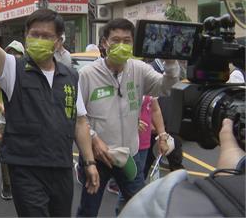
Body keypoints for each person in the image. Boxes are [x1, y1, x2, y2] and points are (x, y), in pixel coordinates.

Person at [0, 0, 99, 217]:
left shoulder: (70, 75)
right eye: (34, 34)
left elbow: (80, 121)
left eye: (46, 36)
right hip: (25, 168)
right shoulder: (12, 69)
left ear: (58, 42)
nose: (39, 39)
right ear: (26, 37)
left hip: (61, 168)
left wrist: (89, 161)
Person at [76, 18, 180, 217]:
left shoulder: (139, 69)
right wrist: (92, 139)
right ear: (105, 42)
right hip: (98, 156)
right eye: (115, 40)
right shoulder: (87, 75)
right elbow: (77, 117)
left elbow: (166, 86)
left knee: (139, 206)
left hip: (129, 156)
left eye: (127, 41)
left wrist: (170, 60)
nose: (121, 46)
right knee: (89, 209)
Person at [119, 118, 245, 217]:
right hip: (135, 146)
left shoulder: (164, 205)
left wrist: (228, 182)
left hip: (148, 144)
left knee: (136, 186)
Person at [0, 40, 25, 201]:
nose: (13, 57)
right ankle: (7, 185)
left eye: (16, 54)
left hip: (23, 121)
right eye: (10, 53)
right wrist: (1, 107)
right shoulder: (2, 75)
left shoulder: (30, 74)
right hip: (4, 120)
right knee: (5, 153)